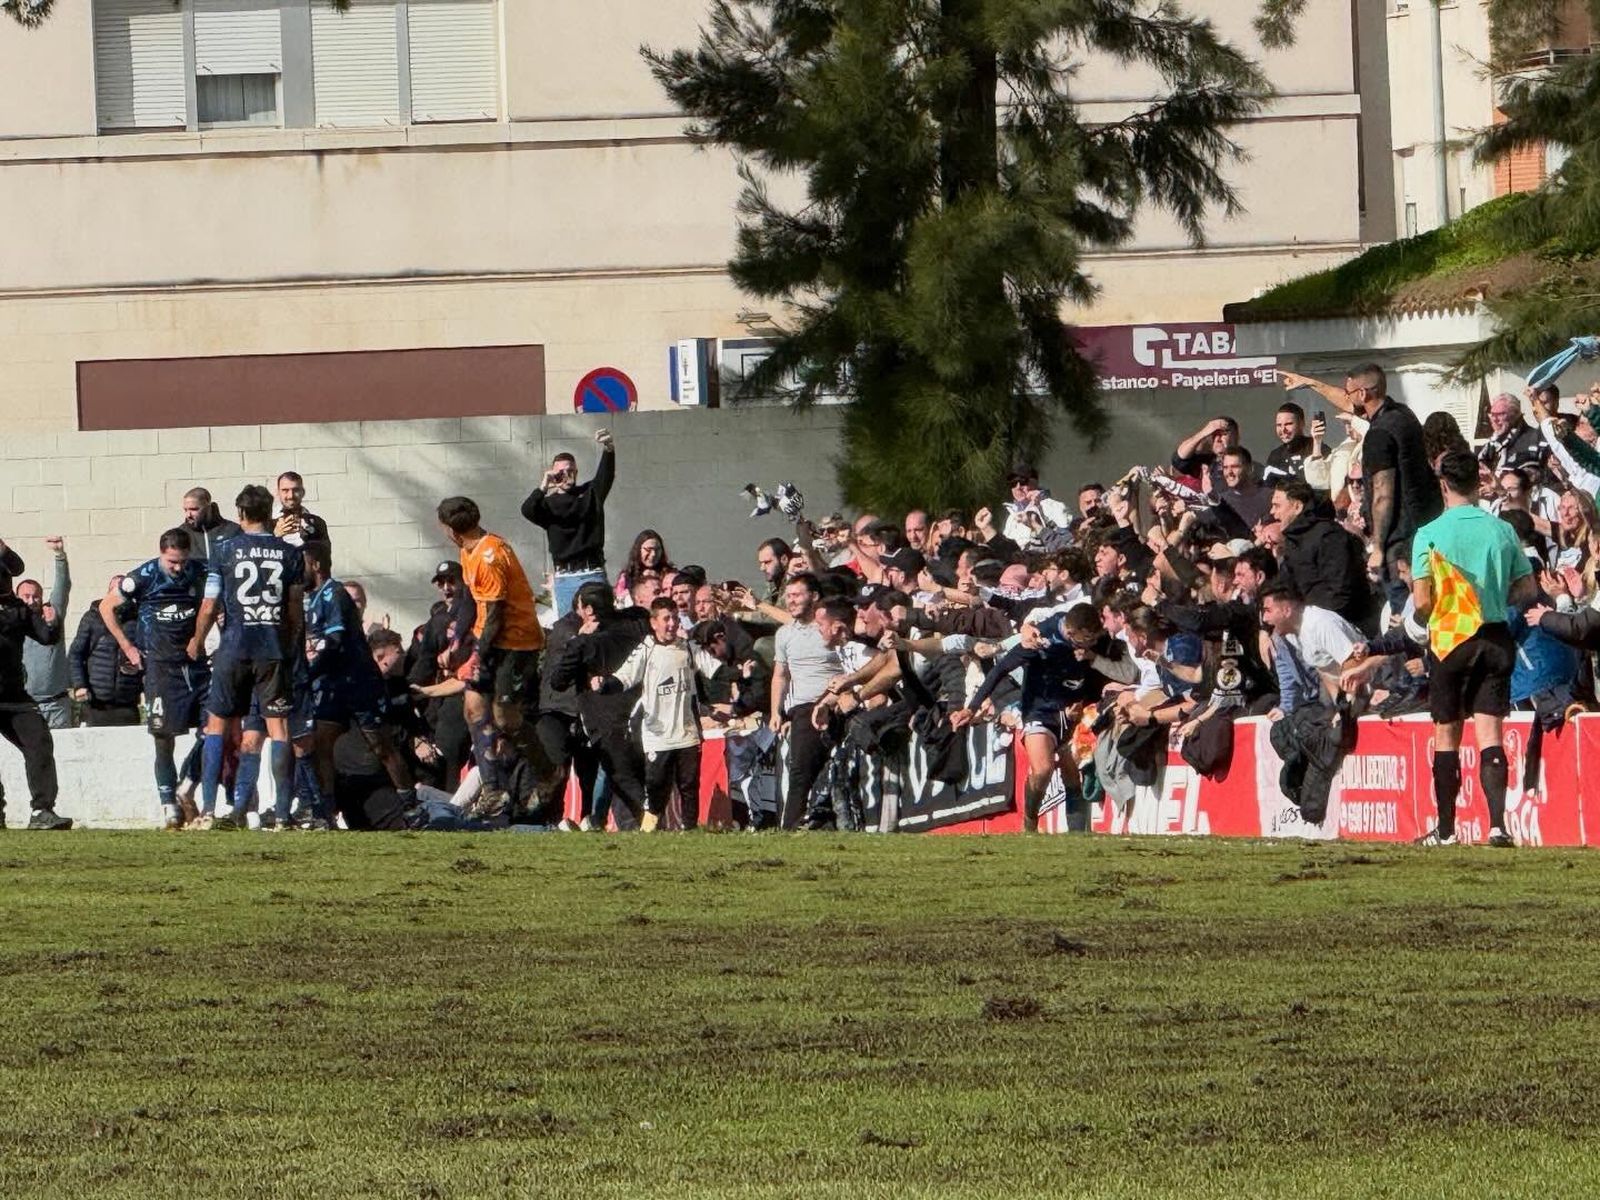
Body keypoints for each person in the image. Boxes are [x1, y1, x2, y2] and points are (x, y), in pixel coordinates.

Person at [1410, 450, 1534, 847]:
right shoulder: (1503, 530)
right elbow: (1528, 590)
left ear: (1443, 484)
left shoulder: (1429, 534)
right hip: (1496, 635)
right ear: (1477, 484)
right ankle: (1497, 826)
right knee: (1491, 732)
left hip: (1451, 637)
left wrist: (1438, 613)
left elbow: (1421, 601)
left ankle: (1446, 831)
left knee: (1447, 734)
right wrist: (1494, 595)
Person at [188, 485, 306, 831]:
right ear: (269, 513)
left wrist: (197, 640)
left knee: (217, 725)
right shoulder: (289, 553)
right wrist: (291, 642)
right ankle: (283, 815)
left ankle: (209, 811)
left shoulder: (224, 551)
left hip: (233, 647)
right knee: (279, 727)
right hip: (272, 649)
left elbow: (210, 603)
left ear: (240, 514)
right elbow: (295, 609)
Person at [438, 495, 546, 821]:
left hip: (515, 643)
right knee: (473, 708)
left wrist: (475, 657)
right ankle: (492, 789)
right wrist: (458, 640)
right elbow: (473, 601)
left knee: (504, 719)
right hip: (491, 640)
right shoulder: (467, 550)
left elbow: (497, 616)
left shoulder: (489, 556)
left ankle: (547, 772)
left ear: (452, 530)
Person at [300, 540, 416, 826]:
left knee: (381, 746)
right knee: (322, 743)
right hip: (331, 685)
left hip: (359, 682)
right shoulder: (311, 598)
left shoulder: (335, 594)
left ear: (315, 564)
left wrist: (309, 673)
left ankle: (410, 804)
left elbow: (336, 641)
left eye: (300, 562)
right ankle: (326, 811)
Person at [594, 597, 728, 831]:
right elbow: (624, 677)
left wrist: (742, 673)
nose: (672, 623)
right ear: (653, 622)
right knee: (656, 785)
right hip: (657, 734)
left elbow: (715, 670)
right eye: (666, 618)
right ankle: (649, 828)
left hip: (687, 732)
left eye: (675, 618)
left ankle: (690, 829)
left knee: (689, 784)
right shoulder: (646, 649)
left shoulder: (688, 647)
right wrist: (604, 685)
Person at [108, 529, 211, 828]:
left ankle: (188, 783)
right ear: (161, 554)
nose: (177, 568)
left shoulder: (201, 571)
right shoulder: (143, 576)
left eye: (181, 562)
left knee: (215, 729)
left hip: (195, 665)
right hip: (160, 669)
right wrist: (128, 647)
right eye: (171, 562)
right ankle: (169, 805)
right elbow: (106, 607)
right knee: (163, 739)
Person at [0, 540, 71, 829]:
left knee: (39, 742)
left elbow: (46, 637)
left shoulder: (17, 608)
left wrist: (52, 622)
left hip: (14, 694)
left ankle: (42, 810)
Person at [769, 573, 843, 829]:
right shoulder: (784, 635)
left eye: (797, 595)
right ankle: (791, 825)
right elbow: (780, 675)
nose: (791, 601)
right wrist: (775, 712)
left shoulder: (830, 628)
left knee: (838, 766)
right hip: (803, 709)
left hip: (837, 704)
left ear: (814, 597)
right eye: (788, 596)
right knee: (800, 769)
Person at [521, 428, 616, 616]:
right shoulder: (547, 505)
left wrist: (608, 448)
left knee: (602, 626)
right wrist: (544, 486)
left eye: (571, 471)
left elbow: (605, 476)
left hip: (593, 573)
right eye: (560, 473)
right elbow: (527, 510)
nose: (566, 476)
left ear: (577, 472)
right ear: (552, 474)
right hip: (565, 578)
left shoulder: (590, 494)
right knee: (568, 631)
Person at [1271, 479, 1372, 627]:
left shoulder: (1329, 536)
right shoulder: (1293, 541)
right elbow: (1285, 587)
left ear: (1297, 507)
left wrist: (1307, 621)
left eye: (1277, 506)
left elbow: (1341, 594)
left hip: (1340, 626)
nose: (1272, 512)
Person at [68, 574, 142, 727]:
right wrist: (80, 685)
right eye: (114, 592)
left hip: (127, 703)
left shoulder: (139, 620)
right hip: (96, 703)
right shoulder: (92, 618)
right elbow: (76, 654)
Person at [18, 536, 71, 729]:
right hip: (25, 707)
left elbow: (62, 588)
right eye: (26, 596)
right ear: (17, 598)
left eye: (36, 596)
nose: (31, 600)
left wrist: (59, 556)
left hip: (57, 705)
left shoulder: (52, 616)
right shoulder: (10, 622)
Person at [1477, 393, 1547, 478]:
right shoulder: (1491, 445)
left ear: (1515, 414)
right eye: (1492, 414)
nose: (1495, 419)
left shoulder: (1535, 439)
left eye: (1501, 414)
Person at [180, 487, 242, 564]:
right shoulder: (180, 534)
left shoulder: (233, 531)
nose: (188, 515)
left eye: (194, 509)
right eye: (185, 510)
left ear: (208, 508)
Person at [615, 529, 672, 605]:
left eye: (657, 550)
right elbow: (620, 603)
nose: (653, 554)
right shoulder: (627, 576)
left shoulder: (669, 573)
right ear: (638, 550)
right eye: (648, 550)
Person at [274, 471, 330, 548]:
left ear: (303, 492)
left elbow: (325, 555)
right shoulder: (265, 522)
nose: (291, 496)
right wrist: (274, 536)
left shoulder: (318, 523)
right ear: (278, 493)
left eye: (296, 490)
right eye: (285, 490)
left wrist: (309, 537)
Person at [1263, 401, 1315, 483]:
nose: (1283, 430)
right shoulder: (1275, 455)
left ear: (1302, 424)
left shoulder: (1316, 448)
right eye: (1279, 425)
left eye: (1288, 424)